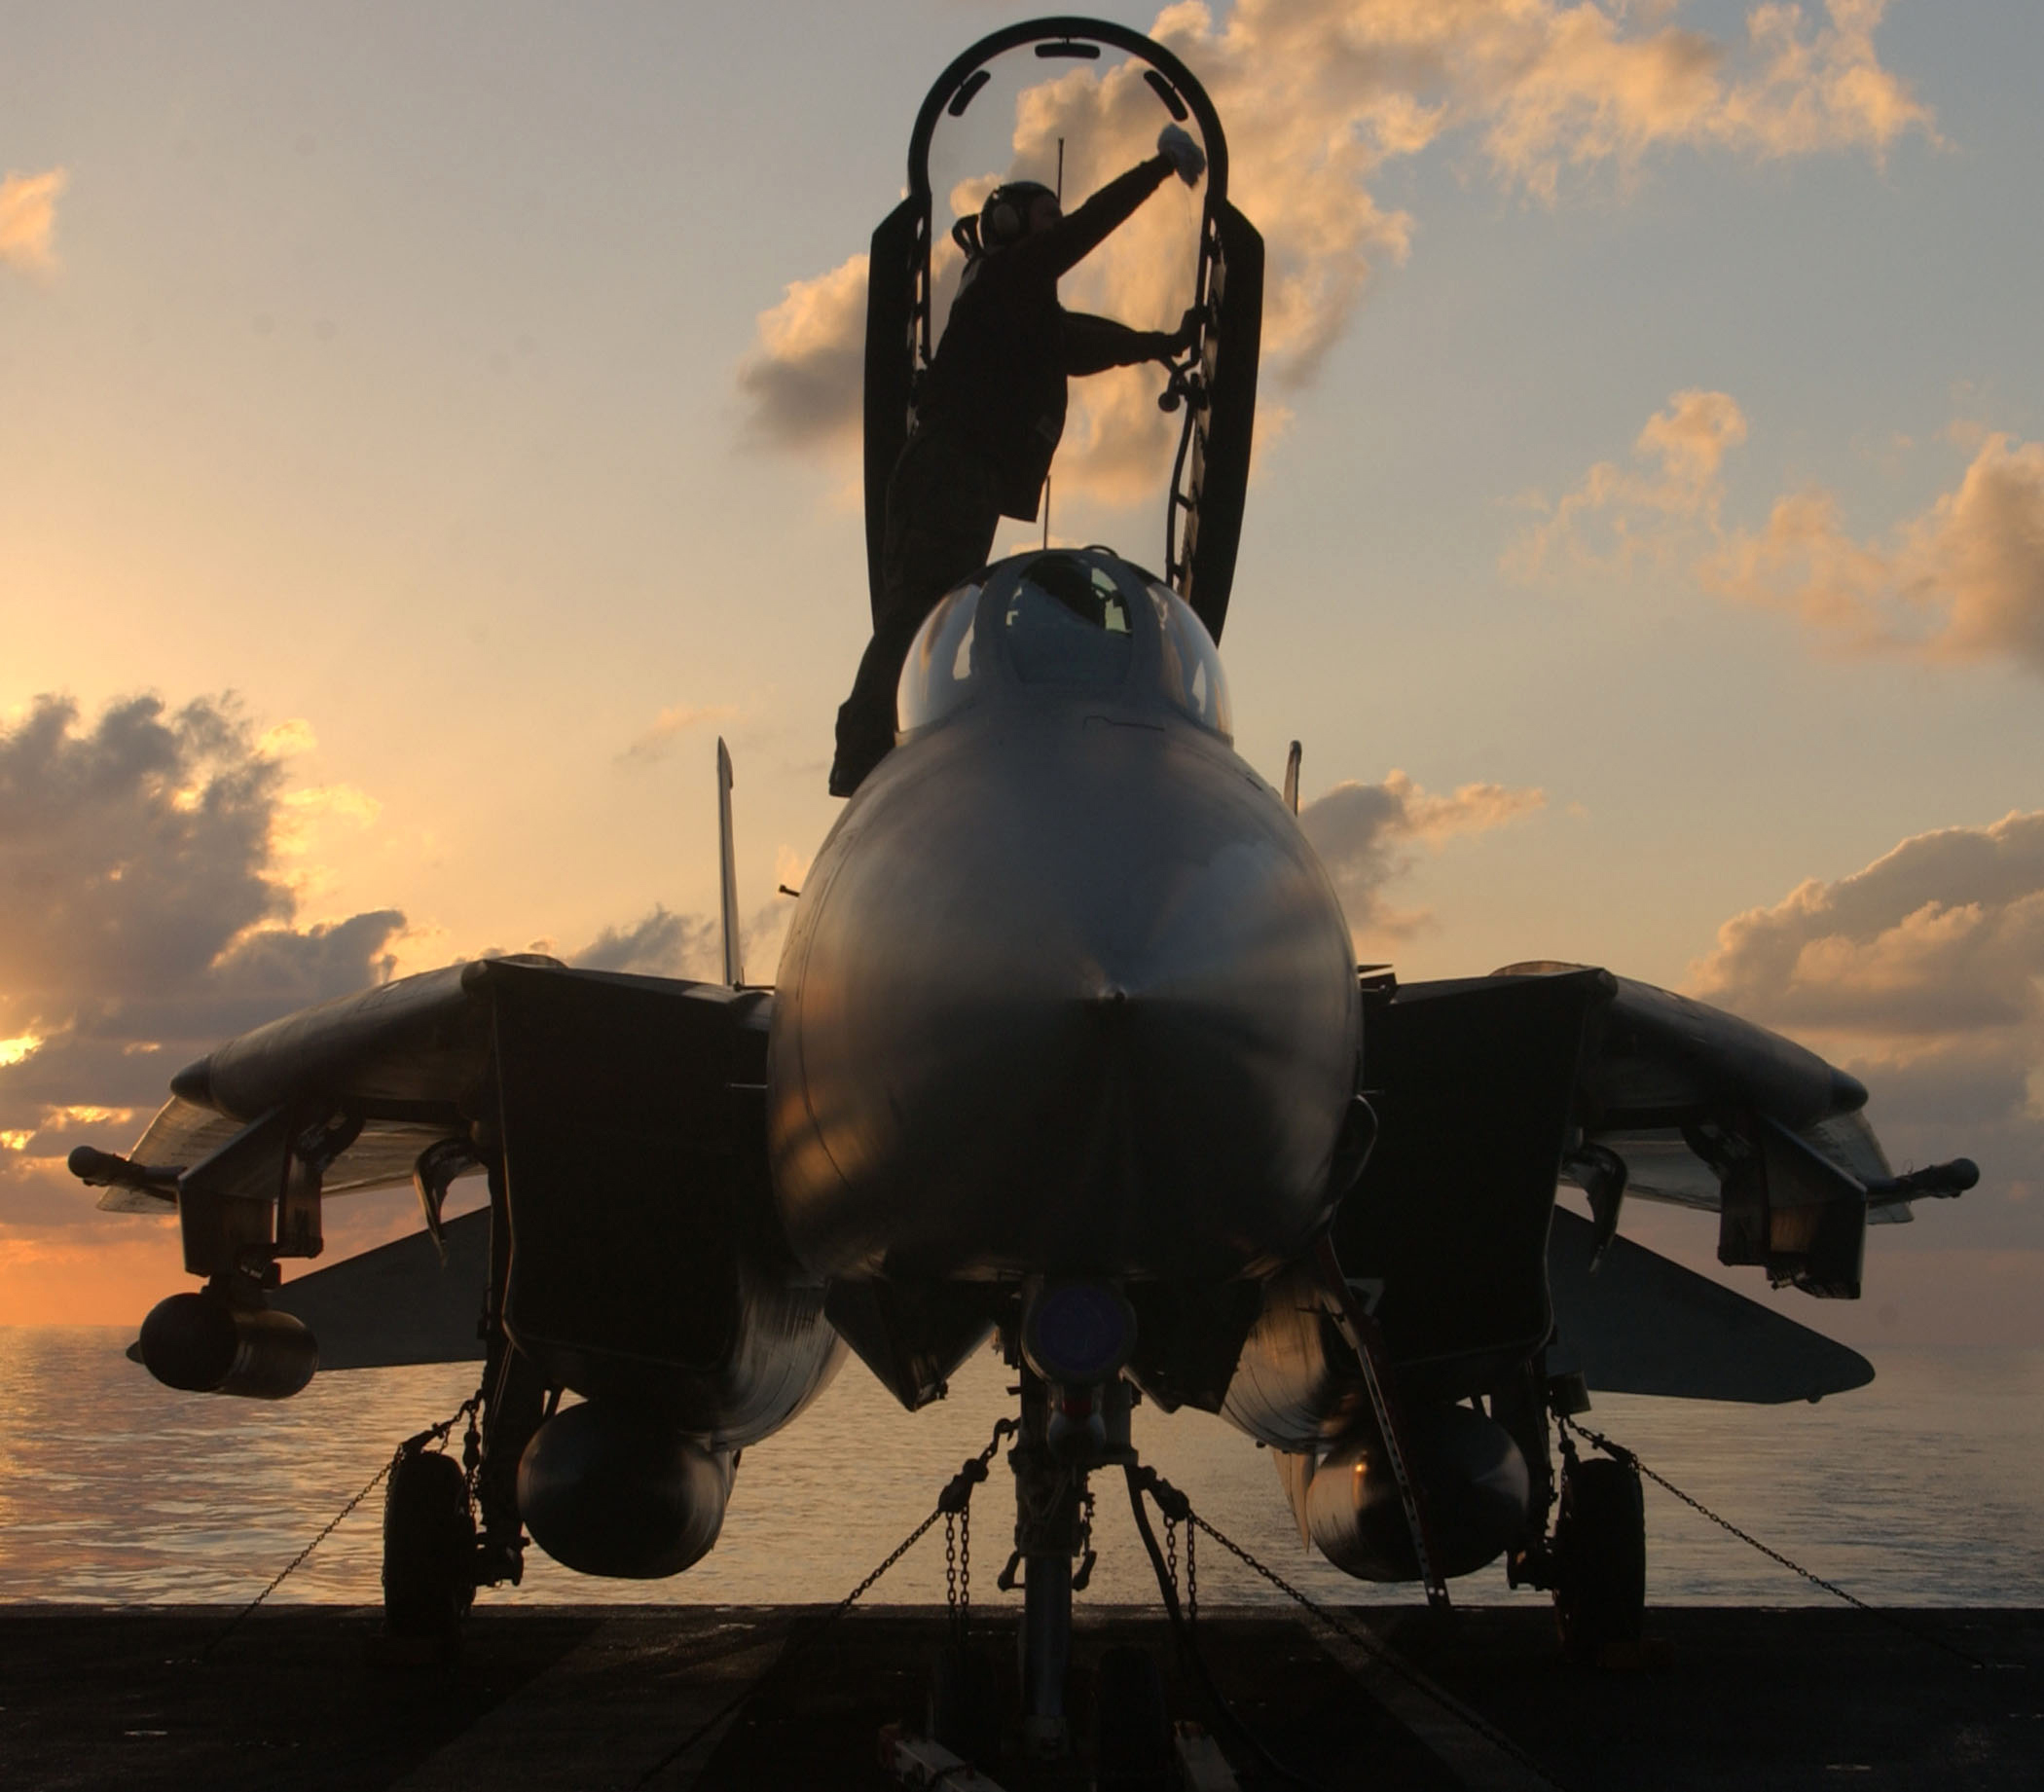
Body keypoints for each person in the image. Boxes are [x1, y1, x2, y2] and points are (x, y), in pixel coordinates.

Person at [828, 123, 1208, 796]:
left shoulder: (1014, 310)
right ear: (1011, 226)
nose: (1055, 228)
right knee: (921, 614)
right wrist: (1154, 172)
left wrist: (1159, 343)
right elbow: (1078, 241)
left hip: (958, 478)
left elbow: (1082, 341)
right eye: (1045, 218)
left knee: (930, 615)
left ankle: (880, 756)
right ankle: (865, 759)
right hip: (947, 473)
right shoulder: (1001, 281)